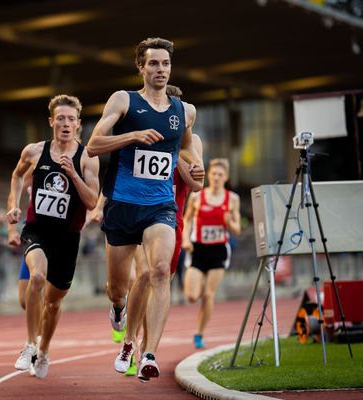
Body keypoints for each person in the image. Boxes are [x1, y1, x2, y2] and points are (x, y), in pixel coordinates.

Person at [86, 37, 204, 381]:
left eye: (165, 64)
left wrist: (195, 168)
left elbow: (188, 158)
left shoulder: (185, 111)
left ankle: (149, 352)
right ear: (141, 67)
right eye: (153, 63)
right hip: (122, 205)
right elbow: (93, 145)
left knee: (159, 272)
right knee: (118, 287)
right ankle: (119, 311)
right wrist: (132, 137)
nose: (160, 70)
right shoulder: (124, 100)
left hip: (160, 207)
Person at [112, 85, 204, 377]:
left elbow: (196, 183)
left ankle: (146, 351)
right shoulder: (143, 130)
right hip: (139, 209)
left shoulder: (191, 140)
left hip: (169, 215)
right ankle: (130, 343)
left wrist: (179, 157)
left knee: (160, 277)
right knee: (143, 275)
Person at [6, 94, 99, 379]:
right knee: (36, 279)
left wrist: (73, 174)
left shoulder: (87, 158)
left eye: (71, 119)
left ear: (79, 124)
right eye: (61, 118)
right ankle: (29, 345)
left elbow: (93, 201)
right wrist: (13, 205)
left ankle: (44, 349)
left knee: (54, 302)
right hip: (37, 230)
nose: (66, 124)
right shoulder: (34, 151)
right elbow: (17, 175)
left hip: (67, 238)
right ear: (51, 121)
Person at [183, 158, 241, 349]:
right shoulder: (197, 196)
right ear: (209, 174)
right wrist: (185, 239)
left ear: (226, 177)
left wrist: (229, 222)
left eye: (220, 174)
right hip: (198, 249)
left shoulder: (232, 199)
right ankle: (198, 287)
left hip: (219, 251)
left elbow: (237, 229)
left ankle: (199, 334)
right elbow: (187, 220)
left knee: (208, 295)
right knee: (192, 296)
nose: (216, 177)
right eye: (214, 174)